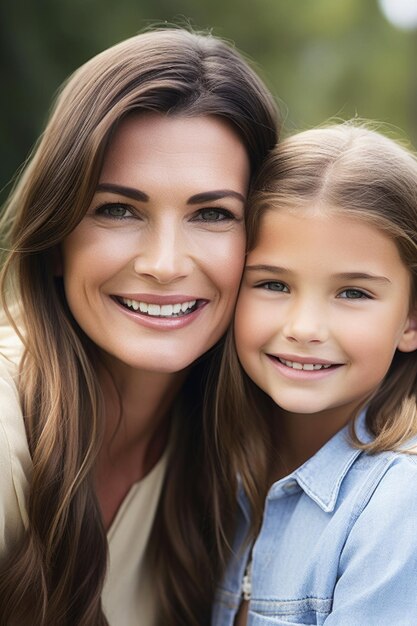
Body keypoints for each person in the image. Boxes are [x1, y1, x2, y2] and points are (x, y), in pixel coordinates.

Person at [0, 27, 279, 626]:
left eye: (212, 214)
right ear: (55, 240)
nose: (164, 263)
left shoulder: (252, 438)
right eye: (117, 209)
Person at [211, 122, 417, 625]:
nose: (304, 328)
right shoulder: (219, 466)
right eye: (273, 284)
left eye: (353, 293)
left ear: (411, 319)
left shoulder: (398, 503)